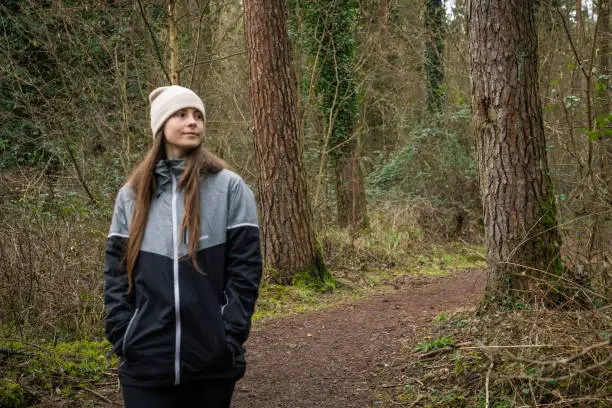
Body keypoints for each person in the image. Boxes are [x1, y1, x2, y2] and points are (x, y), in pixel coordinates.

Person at [103, 85, 262, 407]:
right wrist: (124, 334)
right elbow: (116, 273)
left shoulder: (229, 187)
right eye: (181, 114)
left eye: (198, 116)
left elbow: (246, 269)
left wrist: (228, 336)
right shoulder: (131, 196)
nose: (193, 122)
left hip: (211, 360)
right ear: (160, 125)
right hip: (145, 361)